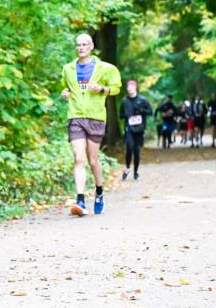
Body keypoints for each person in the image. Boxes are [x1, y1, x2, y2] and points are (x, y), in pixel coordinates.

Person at [60, 33, 121, 216]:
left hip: (95, 118)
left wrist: (101, 89)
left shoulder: (105, 68)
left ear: (91, 46)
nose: (81, 48)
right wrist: (66, 93)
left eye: (84, 44)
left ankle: (99, 190)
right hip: (76, 117)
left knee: (93, 160)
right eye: (78, 45)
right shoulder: (68, 69)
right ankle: (80, 200)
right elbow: (66, 87)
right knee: (79, 159)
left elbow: (116, 88)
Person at [119, 80, 152, 180]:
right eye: (128, 87)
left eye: (132, 87)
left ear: (135, 88)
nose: (130, 89)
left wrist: (142, 111)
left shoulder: (142, 100)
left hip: (140, 129)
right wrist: (126, 115)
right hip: (129, 129)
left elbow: (150, 111)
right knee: (129, 148)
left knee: (136, 151)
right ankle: (128, 167)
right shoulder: (125, 101)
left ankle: (136, 172)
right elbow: (120, 115)